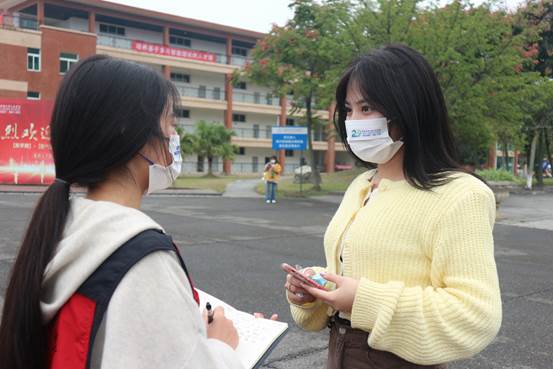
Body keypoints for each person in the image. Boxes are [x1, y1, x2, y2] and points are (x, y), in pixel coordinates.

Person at [0, 55, 254, 369]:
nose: (175, 137)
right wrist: (222, 346)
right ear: (131, 134)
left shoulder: (65, 227)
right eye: (170, 123)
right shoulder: (141, 259)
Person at [284, 45, 502, 369]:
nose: (353, 122)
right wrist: (316, 291)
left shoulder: (460, 195)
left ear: (408, 108)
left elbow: (475, 315)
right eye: (348, 109)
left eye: (367, 107)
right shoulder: (361, 185)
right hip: (339, 350)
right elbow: (352, 272)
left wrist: (362, 299)